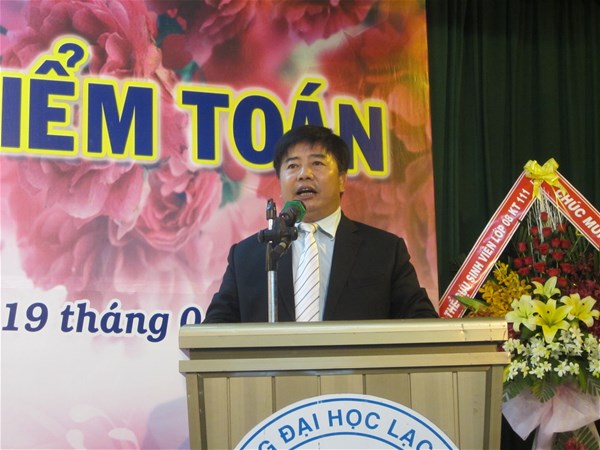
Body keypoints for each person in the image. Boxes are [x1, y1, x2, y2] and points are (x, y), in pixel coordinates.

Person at [203, 125, 438, 322]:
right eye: (292, 166)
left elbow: (422, 323)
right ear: (279, 182)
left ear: (342, 180)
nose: (304, 174)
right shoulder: (247, 256)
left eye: (317, 163)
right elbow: (214, 332)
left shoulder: (384, 251)